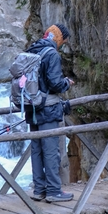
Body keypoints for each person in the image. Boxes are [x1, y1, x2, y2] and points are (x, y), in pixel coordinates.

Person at [26, 24, 75, 203]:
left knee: (37, 149)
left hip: (31, 107)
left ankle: (39, 189)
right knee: (50, 149)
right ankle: (54, 190)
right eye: (63, 41)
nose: (62, 45)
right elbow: (54, 84)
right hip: (47, 107)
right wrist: (66, 83)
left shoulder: (33, 50)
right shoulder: (52, 54)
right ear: (59, 38)